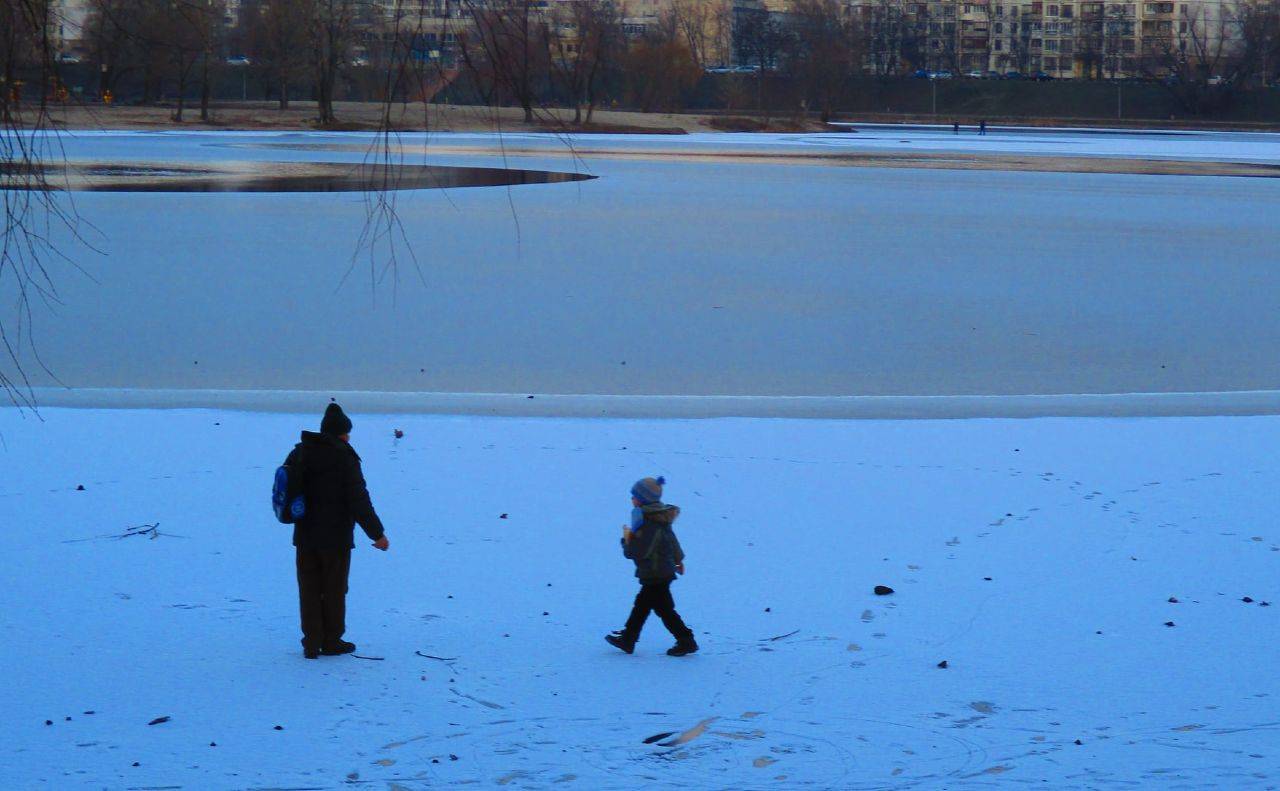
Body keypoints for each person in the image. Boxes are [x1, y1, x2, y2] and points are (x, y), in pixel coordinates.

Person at [285, 403, 389, 659]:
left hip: (306, 535)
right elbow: (359, 501)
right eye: (347, 432)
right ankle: (331, 640)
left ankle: (311, 642)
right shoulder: (344, 457)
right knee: (334, 588)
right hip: (335, 538)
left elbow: (286, 488)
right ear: (340, 433)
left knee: (308, 588)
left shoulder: (300, 452)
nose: (349, 437)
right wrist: (377, 534)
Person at [605, 476, 698, 657]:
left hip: (656, 573)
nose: (632, 499)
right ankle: (629, 639)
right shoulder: (657, 518)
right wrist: (678, 560)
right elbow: (672, 541)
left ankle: (686, 640)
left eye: (634, 496)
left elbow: (639, 552)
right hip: (661, 571)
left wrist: (626, 542)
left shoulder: (649, 523)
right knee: (646, 606)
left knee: (659, 609)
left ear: (643, 499)